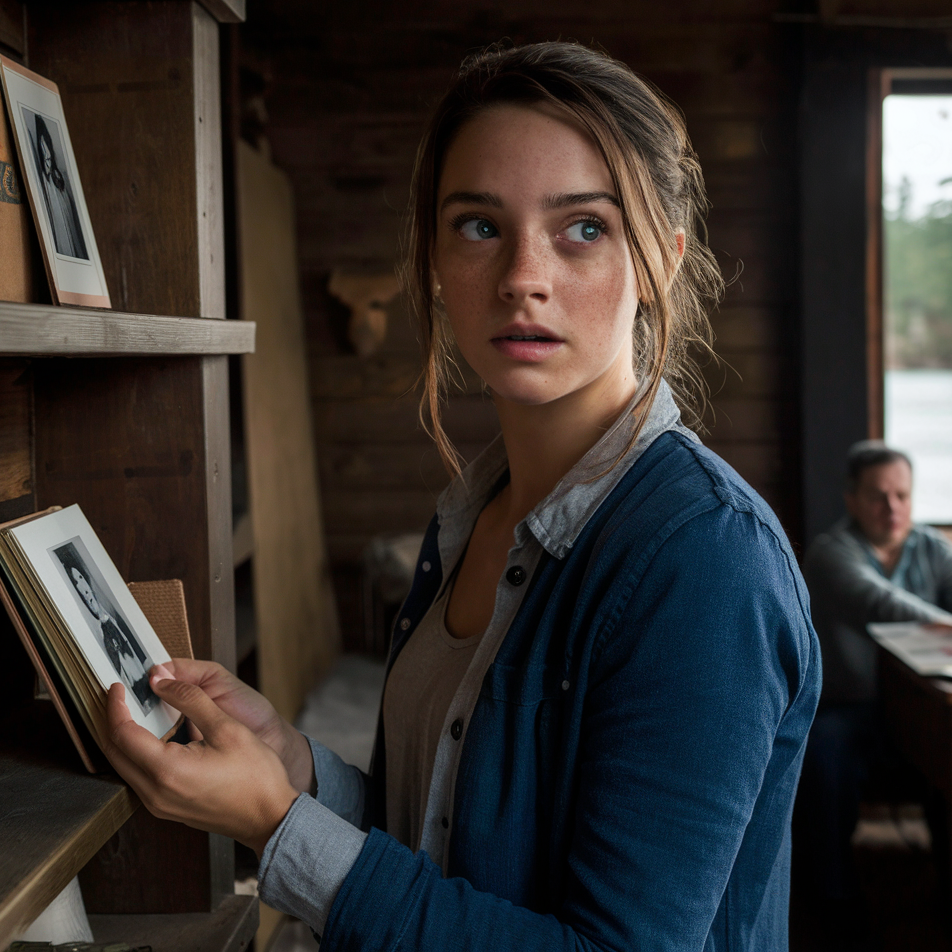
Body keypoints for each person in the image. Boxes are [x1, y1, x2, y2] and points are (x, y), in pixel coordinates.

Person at [102, 41, 820, 951]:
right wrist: (297, 766)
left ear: (663, 261)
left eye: (583, 227)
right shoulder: (475, 517)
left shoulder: (703, 562)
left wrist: (279, 826)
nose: (524, 274)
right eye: (479, 225)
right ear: (435, 262)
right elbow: (451, 840)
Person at [797, 440, 952, 923]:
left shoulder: (932, 548)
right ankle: (833, 899)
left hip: (923, 703)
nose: (893, 508)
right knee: (825, 755)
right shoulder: (830, 553)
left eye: (902, 496)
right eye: (878, 496)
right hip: (850, 708)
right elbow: (882, 604)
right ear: (852, 498)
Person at [64, 560, 154, 712]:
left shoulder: (111, 615)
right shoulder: (95, 632)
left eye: (80, 578)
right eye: (75, 583)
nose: (82, 587)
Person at [32, 113, 87, 260]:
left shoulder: (59, 176)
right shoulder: (45, 181)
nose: (47, 160)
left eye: (48, 157)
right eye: (46, 159)